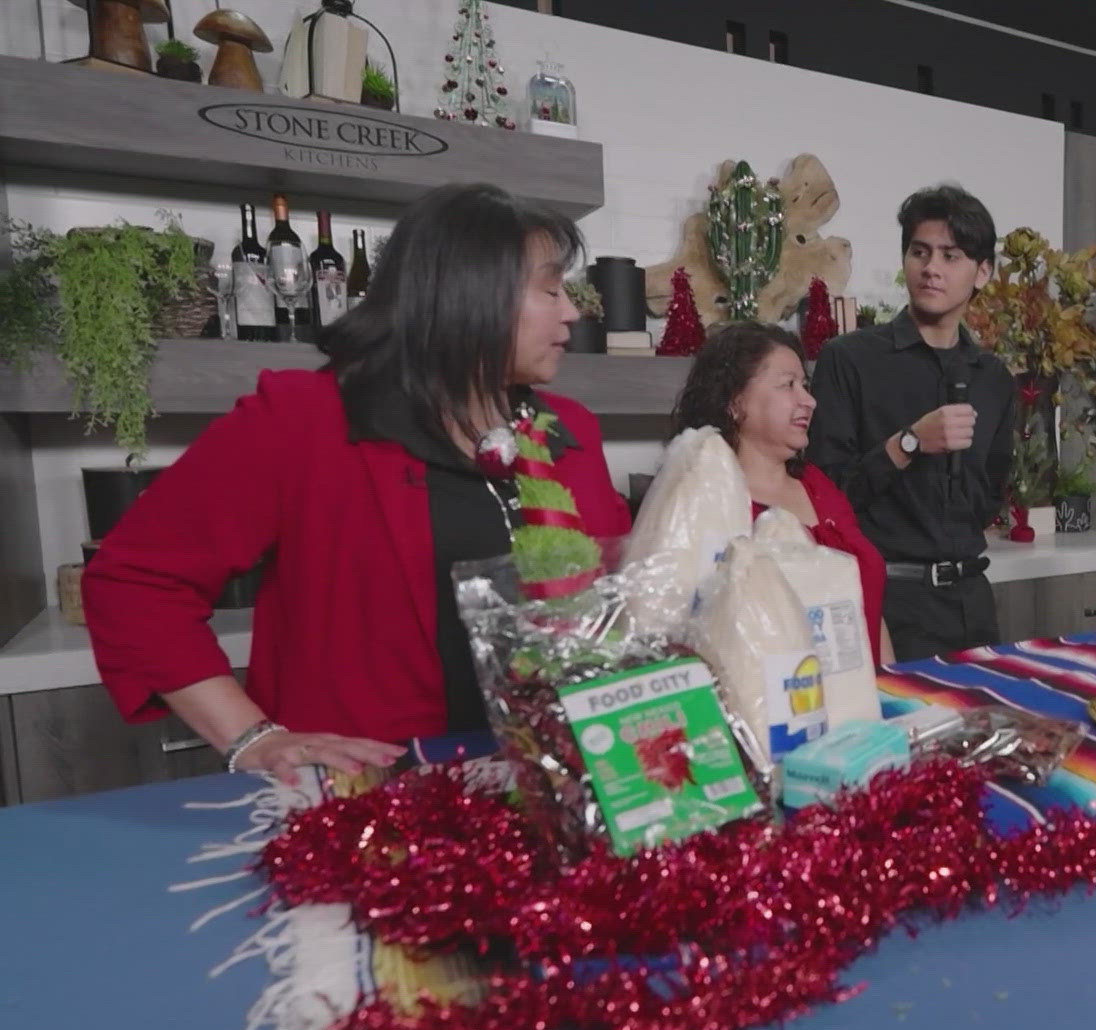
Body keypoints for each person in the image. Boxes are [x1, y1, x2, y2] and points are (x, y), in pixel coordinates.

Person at [83, 183, 630, 783]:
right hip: (370, 795)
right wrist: (251, 738)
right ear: (470, 291)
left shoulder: (568, 431)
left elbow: (614, 602)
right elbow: (135, 582)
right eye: (551, 289)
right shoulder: (304, 419)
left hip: (552, 780)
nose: (572, 312)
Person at [807, 185, 1015, 660]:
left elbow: (990, 493)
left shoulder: (993, 377)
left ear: (982, 272)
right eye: (919, 252)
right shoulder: (850, 359)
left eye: (951, 255)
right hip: (886, 600)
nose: (931, 268)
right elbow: (826, 494)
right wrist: (909, 442)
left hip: (972, 600)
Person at [670, 321, 892, 664]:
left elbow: (870, 609)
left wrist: (891, 691)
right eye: (789, 385)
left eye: (805, 385)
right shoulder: (706, 500)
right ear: (734, 401)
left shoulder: (819, 486)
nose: (810, 401)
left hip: (865, 705)